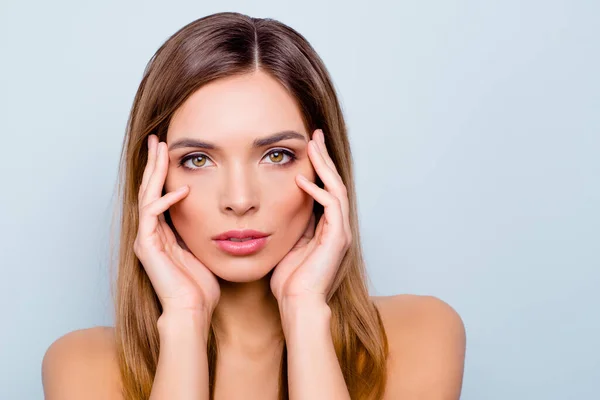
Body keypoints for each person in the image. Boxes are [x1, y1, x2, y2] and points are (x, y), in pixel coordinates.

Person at [41, 11, 466, 400]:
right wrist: (185, 321)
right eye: (197, 160)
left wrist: (304, 313)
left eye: (276, 155)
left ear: (325, 169)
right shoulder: (82, 365)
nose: (240, 200)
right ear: (152, 180)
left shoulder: (421, 334)